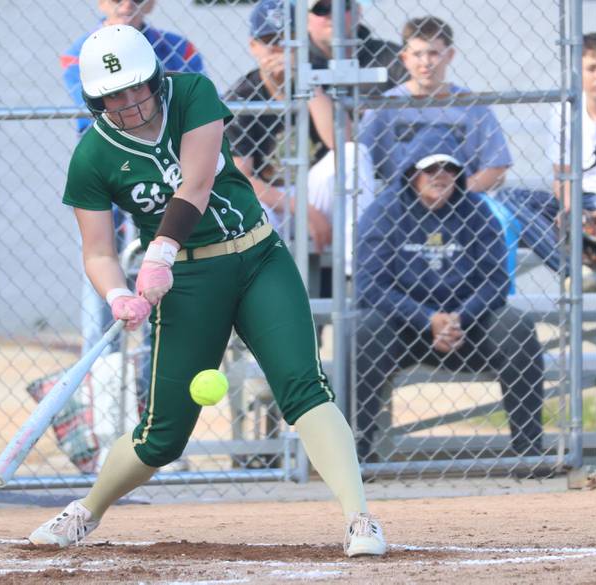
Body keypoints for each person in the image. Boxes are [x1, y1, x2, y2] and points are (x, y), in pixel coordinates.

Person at [29, 24, 386, 557]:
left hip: (257, 258)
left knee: (304, 387)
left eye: (136, 87)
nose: (130, 103)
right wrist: (118, 295)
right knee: (162, 436)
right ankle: (88, 509)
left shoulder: (192, 93)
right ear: (95, 100)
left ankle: (361, 519)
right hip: (188, 284)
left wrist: (158, 253)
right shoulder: (92, 157)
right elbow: (99, 252)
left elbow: (195, 185)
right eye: (114, 96)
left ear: (154, 78)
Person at [354, 130, 545, 462]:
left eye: (449, 169)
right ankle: (353, 455)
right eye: (430, 169)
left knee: (517, 327)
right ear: (412, 173)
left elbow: (496, 280)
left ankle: (529, 452)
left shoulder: (476, 211)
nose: (440, 176)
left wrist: (458, 318)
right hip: (404, 327)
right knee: (364, 330)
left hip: (466, 327)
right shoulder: (384, 211)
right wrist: (426, 318)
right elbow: (370, 285)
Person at [61, 0, 205, 356]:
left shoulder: (179, 48)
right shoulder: (80, 52)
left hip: (164, 175)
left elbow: (185, 105)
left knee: (158, 265)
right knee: (103, 262)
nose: (126, 2)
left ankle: (153, 367)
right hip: (111, 174)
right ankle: (104, 371)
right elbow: (98, 114)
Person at [497, 32, 596, 307]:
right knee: (509, 198)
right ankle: (579, 270)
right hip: (581, 199)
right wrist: (572, 209)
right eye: (592, 68)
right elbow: (562, 176)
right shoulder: (564, 112)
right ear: (578, 71)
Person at [224, 0, 386, 275]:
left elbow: (342, 143)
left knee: (355, 154)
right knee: (249, 206)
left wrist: (306, 81)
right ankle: (266, 285)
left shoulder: (320, 77)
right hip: (272, 200)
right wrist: (301, 209)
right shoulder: (243, 96)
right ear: (254, 46)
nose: (280, 49)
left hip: (315, 192)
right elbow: (240, 178)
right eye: (270, 41)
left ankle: (357, 273)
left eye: (288, 40)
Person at [359, 16, 512, 194]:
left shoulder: (473, 106)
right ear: (404, 58)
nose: (426, 62)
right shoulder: (385, 107)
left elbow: (496, 170)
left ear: (450, 55)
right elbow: (360, 163)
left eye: (434, 53)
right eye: (417, 54)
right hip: (402, 202)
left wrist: (452, 193)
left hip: (462, 203)